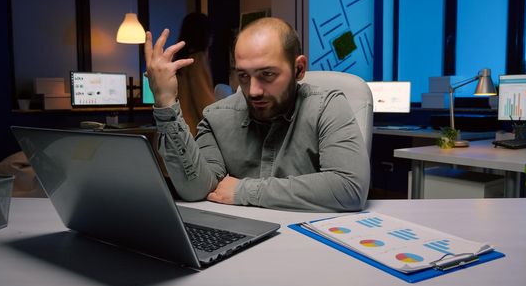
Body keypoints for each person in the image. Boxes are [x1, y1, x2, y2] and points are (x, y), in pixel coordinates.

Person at [144, 17, 369, 212]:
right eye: (243, 75)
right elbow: (196, 190)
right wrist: (165, 102)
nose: (253, 91)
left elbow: (348, 187)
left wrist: (245, 191)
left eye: (267, 74)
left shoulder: (327, 106)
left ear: (299, 69)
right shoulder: (215, 117)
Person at [173, 12, 216, 135]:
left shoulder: (180, 61)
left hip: (177, 131)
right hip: (192, 133)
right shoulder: (197, 59)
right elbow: (205, 103)